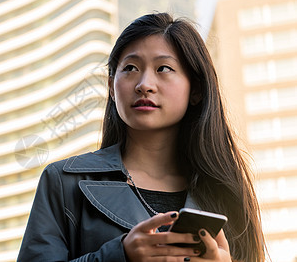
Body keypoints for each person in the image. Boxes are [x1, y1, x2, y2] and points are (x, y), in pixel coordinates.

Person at [17, 13, 266, 262]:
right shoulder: (63, 182)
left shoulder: (227, 192)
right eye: (131, 68)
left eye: (164, 68)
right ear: (112, 87)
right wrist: (119, 255)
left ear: (197, 90)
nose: (145, 84)